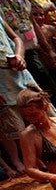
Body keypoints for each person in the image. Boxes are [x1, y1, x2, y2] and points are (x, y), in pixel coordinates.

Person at [0, 15, 35, 176]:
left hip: (18, 72)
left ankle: (43, 153)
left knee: (36, 110)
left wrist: (19, 55)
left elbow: (16, 38)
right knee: (12, 125)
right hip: (1, 82)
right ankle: (19, 160)